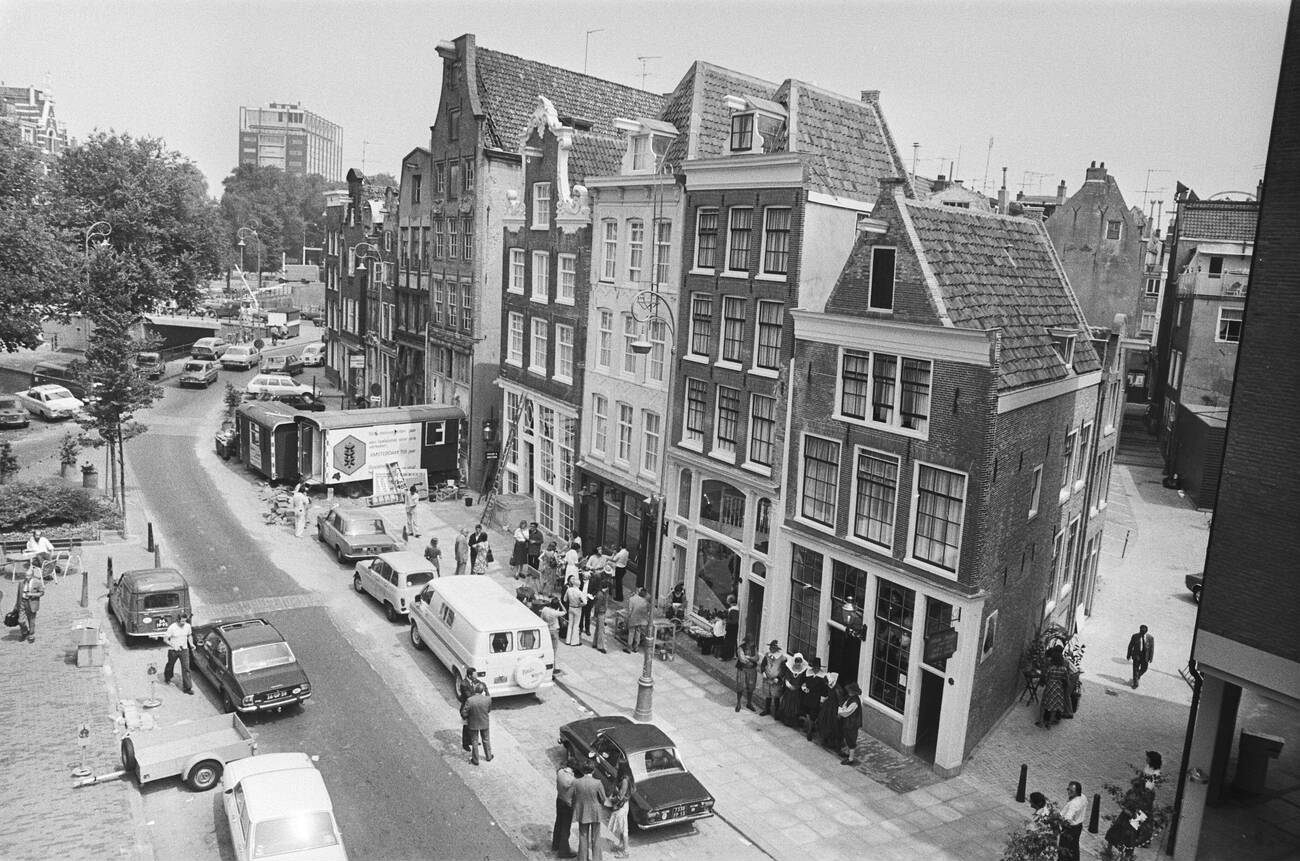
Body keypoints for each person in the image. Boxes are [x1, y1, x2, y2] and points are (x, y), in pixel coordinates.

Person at [572, 758, 608, 861]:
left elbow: (574, 797)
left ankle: (582, 858)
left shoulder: (576, 782)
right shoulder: (597, 783)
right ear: (593, 770)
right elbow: (603, 799)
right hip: (595, 812)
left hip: (582, 812)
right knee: (596, 838)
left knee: (583, 837)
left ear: (583, 770)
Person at [461, 681, 493, 765]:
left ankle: (475, 760)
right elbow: (489, 710)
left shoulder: (470, 700)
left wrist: (467, 717)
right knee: (486, 740)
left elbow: (464, 713)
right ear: (482, 690)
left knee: (474, 741)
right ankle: (488, 756)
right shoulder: (488, 699)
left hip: (473, 723)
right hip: (484, 722)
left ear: (475, 689)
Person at [162, 612, 195, 694]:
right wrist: (173, 645)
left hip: (184, 649)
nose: (184, 623)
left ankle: (187, 688)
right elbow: (165, 639)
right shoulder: (172, 627)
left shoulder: (187, 626)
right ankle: (168, 677)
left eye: (185, 621)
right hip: (174, 650)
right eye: (182, 621)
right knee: (170, 664)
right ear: (178, 620)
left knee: (186, 668)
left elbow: (189, 635)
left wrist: (191, 644)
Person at [552, 754, 578, 858]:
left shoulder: (560, 772)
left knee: (558, 822)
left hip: (559, 799)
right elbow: (575, 795)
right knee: (565, 828)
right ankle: (563, 851)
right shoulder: (573, 780)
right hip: (568, 804)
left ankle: (555, 844)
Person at [1037, 650, 1071, 727]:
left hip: (1050, 687)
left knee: (1044, 704)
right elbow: (1067, 680)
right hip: (1059, 689)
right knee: (1055, 706)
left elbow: (1046, 678)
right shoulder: (1064, 669)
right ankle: (1049, 723)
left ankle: (1041, 722)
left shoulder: (1051, 668)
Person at [801, 657, 830, 740]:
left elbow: (825, 689)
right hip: (808, 696)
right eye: (814, 667)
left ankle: (809, 731)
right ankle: (809, 726)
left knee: (813, 714)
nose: (815, 668)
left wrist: (822, 699)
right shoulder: (808, 673)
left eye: (817, 667)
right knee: (807, 712)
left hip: (816, 698)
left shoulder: (823, 676)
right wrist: (804, 689)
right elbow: (803, 683)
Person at [606, 763, 632, 858]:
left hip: (621, 807)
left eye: (618, 766)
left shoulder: (625, 780)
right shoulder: (626, 778)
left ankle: (626, 852)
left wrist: (610, 801)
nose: (616, 767)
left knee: (624, 828)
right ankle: (621, 845)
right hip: (624, 805)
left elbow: (620, 796)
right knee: (622, 827)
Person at [778, 653, 808, 727]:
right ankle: (786, 720)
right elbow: (787, 678)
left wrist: (801, 687)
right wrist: (789, 685)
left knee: (795, 706)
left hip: (797, 692)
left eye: (799, 662)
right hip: (789, 690)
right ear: (794, 661)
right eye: (797, 661)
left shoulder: (803, 671)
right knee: (787, 705)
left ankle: (793, 722)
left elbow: (804, 681)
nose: (798, 663)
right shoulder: (790, 668)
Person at [15, 568, 44, 643]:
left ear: (32, 575)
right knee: (20, 621)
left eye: (28, 576)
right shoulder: (21, 583)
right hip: (22, 602)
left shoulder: (37, 582)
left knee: (31, 620)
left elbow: (42, 593)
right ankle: (24, 632)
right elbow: (19, 594)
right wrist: (16, 605)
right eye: (26, 575)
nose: (26, 577)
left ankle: (31, 634)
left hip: (32, 603)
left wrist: (32, 594)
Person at [1059, 780, 1086, 861]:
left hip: (1069, 828)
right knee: (1074, 847)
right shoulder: (1083, 797)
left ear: (1077, 792)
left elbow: (1067, 818)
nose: (1068, 792)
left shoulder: (1073, 804)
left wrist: (1060, 823)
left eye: (1071, 791)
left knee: (1063, 849)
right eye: (1068, 789)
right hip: (1078, 827)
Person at [758, 640, 787, 717]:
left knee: (776, 696)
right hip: (767, 679)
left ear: (777, 649)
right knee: (768, 695)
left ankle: (777, 713)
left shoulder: (782, 658)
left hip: (776, 680)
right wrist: (763, 672)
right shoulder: (767, 655)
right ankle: (767, 709)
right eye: (770, 646)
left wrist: (779, 678)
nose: (771, 648)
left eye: (773, 647)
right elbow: (763, 664)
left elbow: (783, 670)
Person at [838, 683, 864, 765]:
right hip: (848, 722)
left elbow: (847, 712)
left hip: (852, 723)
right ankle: (848, 753)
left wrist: (839, 711)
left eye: (850, 690)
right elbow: (845, 706)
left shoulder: (854, 702)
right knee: (847, 737)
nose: (848, 692)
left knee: (851, 740)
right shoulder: (851, 698)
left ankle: (850, 758)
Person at [456, 665, 479, 752]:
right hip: (466, 708)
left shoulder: (474, 681)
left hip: (472, 707)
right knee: (466, 727)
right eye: (475, 675)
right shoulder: (464, 684)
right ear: (470, 676)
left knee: (472, 725)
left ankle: (471, 740)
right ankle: (465, 743)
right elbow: (469, 696)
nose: (476, 676)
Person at [816, 684, 845, 750]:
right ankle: (825, 739)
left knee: (833, 725)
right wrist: (822, 701)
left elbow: (840, 701)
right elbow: (826, 695)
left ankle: (833, 743)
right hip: (827, 707)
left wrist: (840, 712)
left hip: (834, 708)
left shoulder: (838, 689)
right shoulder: (828, 687)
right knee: (824, 722)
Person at [734, 636, 759, 712]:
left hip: (752, 670)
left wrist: (749, 658)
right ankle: (738, 703)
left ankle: (749, 703)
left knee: (751, 686)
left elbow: (757, 658)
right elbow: (742, 660)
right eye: (751, 641)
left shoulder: (754, 647)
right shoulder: (740, 648)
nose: (752, 642)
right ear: (747, 642)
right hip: (742, 669)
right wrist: (751, 659)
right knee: (740, 686)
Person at [1127, 624, 1155, 689]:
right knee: (1135, 669)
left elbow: (1152, 648)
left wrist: (1151, 658)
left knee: (1144, 668)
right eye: (1141, 631)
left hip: (1145, 656)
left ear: (1146, 631)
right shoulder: (1135, 636)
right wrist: (1129, 655)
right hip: (1136, 655)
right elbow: (1130, 646)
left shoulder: (1150, 638)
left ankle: (1138, 676)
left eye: (1143, 631)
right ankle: (1135, 683)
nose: (1142, 632)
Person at [541, 597, 565, 673]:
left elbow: (541, 618)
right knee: (554, 650)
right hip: (554, 631)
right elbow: (565, 611)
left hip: (547, 630)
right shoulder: (555, 613)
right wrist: (560, 603)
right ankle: (553, 667)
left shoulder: (545, 609)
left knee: (547, 648)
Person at [625, 588, 650, 653]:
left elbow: (629, 610)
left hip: (633, 619)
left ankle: (629, 648)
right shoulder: (646, 602)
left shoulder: (632, 599)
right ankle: (636, 647)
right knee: (638, 633)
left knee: (631, 632)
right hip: (641, 620)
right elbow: (647, 611)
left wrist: (627, 618)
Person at [564, 575, 586, 646]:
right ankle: (574, 641)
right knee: (576, 625)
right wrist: (580, 604)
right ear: (579, 585)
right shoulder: (579, 592)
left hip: (570, 607)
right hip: (577, 608)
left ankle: (568, 640)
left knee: (570, 624)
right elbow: (585, 602)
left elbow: (565, 599)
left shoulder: (569, 589)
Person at [590, 581, 610, 653]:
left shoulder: (601, 593)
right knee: (601, 630)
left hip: (601, 613)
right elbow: (597, 605)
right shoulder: (601, 595)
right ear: (607, 587)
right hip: (600, 613)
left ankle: (595, 643)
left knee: (598, 628)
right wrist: (595, 615)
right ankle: (600, 646)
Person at [719, 595, 739, 661]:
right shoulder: (734, 609)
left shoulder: (733, 610)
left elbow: (733, 621)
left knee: (728, 642)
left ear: (730, 601)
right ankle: (730, 655)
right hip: (733, 628)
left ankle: (725, 656)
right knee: (731, 642)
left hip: (731, 628)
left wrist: (726, 621)